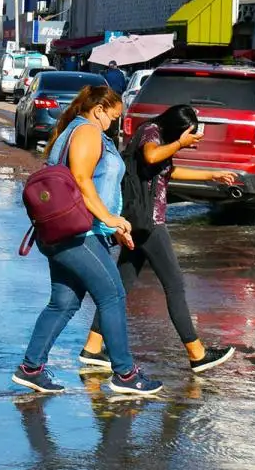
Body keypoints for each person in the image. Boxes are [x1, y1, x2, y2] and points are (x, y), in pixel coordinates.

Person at [13, 84, 163, 397]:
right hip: (80, 233)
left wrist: (114, 225)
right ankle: (124, 373)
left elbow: (92, 184)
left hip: (65, 232)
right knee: (113, 295)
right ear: (98, 110)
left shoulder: (73, 131)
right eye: (113, 116)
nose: (115, 123)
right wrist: (108, 220)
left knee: (63, 303)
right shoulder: (87, 132)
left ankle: (31, 368)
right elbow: (81, 181)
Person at [79, 104, 238, 375]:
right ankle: (197, 353)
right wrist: (179, 143)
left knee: (121, 286)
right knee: (174, 285)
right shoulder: (151, 133)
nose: (189, 140)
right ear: (176, 128)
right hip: (149, 222)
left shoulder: (158, 135)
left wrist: (211, 175)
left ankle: (93, 347)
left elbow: (167, 172)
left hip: (140, 221)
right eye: (187, 134)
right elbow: (152, 157)